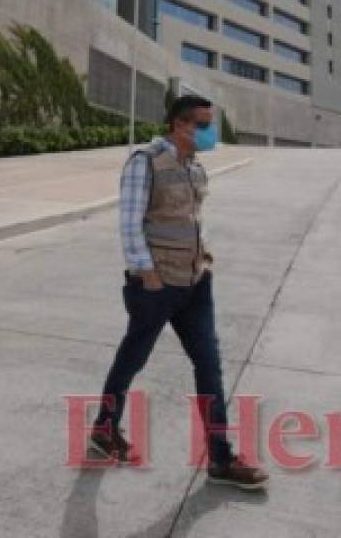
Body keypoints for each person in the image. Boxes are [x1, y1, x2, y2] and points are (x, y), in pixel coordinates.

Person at [89, 95, 268, 490]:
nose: (209, 131)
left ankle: (221, 457)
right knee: (133, 359)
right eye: (204, 124)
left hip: (195, 282)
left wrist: (202, 249)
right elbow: (130, 223)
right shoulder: (145, 162)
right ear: (179, 125)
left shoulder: (194, 167)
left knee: (209, 364)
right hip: (156, 285)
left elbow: (189, 218)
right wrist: (147, 274)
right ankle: (103, 429)